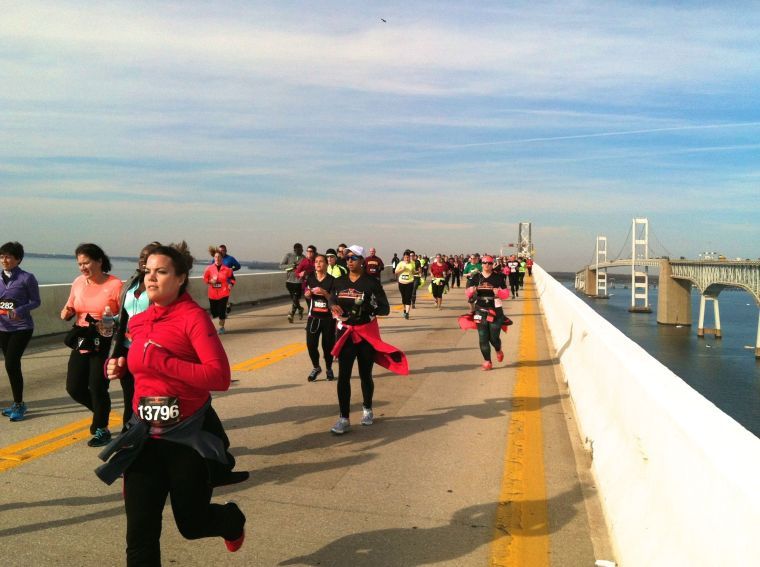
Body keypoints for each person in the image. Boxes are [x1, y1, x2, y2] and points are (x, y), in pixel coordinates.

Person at [102, 242, 247, 564]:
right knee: (140, 535)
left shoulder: (193, 318)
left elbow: (219, 377)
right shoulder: (139, 321)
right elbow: (138, 361)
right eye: (148, 271)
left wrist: (161, 361)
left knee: (191, 525)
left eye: (161, 272)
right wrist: (120, 366)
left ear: (181, 278)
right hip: (143, 438)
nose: (151, 278)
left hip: (186, 440)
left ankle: (230, 520)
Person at [328, 245, 407, 434]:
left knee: (365, 374)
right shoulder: (339, 282)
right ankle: (344, 418)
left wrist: (369, 308)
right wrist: (333, 307)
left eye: (354, 258)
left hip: (364, 335)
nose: (349, 261)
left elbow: (385, 308)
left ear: (362, 260)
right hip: (345, 334)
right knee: (344, 377)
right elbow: (332, 298)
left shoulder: (371, 283)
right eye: (347, 258)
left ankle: (367, 409)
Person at [60, 243, 123, 447]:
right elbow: (71, 304)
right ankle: (101, 412)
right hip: (82, 336)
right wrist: (67, 311)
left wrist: (108, 321)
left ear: (99, 261)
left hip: (104, 338)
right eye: (79, 263)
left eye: (86, 262)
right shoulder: (78, 282)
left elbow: (124, 316)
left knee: (97, 386)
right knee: (74, 387)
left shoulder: (114, 285)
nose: (82, 267)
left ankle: (101, 428)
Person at [109, 241, 161, 431]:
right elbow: (126, 312)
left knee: (148, 394)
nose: (143, 260)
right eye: (141, 256)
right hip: (126, 347)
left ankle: (152, 432)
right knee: (129, 393)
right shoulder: (131, 283)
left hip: (149, 349)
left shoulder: (160, 285)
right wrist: (110, 320)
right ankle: (128, 431)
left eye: (148, 257)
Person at [0, 241, 41, 422]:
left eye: (8, 256)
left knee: (11, 364)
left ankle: (19, 404)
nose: (4, 260)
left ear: (18, 259)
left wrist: (20, 310)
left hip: (22, 328)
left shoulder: (27, 278)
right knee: (10, 366)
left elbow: (36, 301)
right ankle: (15, 403)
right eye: (2, 256)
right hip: (2, 328)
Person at [465, 255, 510, 371]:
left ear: (492, 264)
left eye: (489, 263)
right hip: (480, 310)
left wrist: (498, 291)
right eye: (485, 263)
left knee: (494, 338)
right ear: (481, 264)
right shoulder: (476, 277)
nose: (487, 265)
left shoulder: (498, 277)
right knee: (483, 337)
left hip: (495, 311)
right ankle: (487, 361)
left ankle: (498, 350)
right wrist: (472, 290)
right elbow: (467, 293)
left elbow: (506, 294)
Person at [304, 254, 336, 382]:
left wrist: (324, 292)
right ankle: (316, 367)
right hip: (314, 317)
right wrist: (307, 294)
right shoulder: (310, 278)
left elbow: (334, 299)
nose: (318, 264)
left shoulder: (332, 280)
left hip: (328, 318)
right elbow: (307, 295)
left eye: (321, 261)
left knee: (327, 346)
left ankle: (328, 368)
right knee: (311, 345)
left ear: (326, 264)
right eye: (316, 261)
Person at [203, 251, 234, 334]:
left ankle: (221, 327)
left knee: (221, 311)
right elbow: (205, 279)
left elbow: (232, 279)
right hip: (212, 294)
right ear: (214, 258)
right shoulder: (209, 269)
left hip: (224, 293)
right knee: (214, 312)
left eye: (219, 257)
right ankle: (219, 317)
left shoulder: (227, 269)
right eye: (216, 257)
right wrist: (210, 281)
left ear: (222, 258)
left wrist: (231, 284)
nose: (217, 258)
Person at [280, 243, 306, 323]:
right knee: (294, 299)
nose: (301, 251)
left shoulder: (304, 258)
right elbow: (281, 266)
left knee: (295, 298)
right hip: (289, 281)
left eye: (301, 249)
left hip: (299, 281)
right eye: (299, 250)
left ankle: (291, 314)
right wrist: (292, 266)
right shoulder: (288, 256)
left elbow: (306, 268)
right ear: (295, 250)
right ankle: (300, 308)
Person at [217, 244, 241, 315]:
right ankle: (227, 305)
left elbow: (238, 266)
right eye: (220, 251)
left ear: (226, 251)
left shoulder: (230, 258)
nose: (221, 252)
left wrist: (231, 269)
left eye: (223, 250)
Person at [394, 250, 416, 320]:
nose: (407, 259)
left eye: (408, 257)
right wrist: (402, 270)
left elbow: (413, 271)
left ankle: (407, 313)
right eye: (405, 257)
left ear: (410, 257)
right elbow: (395, 272)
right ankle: (404, 309)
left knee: (408, 298)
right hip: (401, 283)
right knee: (403, 298)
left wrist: (417, 272)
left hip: (410, 282)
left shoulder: (412, 263)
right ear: (403, 257)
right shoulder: (400, 263)